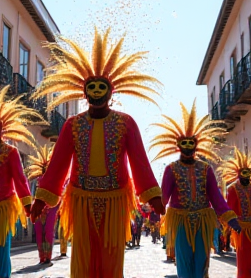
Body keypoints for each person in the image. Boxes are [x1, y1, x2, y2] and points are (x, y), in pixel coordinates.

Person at [30, 27, 164, 278]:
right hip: (81, 199)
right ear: (84, 92)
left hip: (115, 200)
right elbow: (58, 164)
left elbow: (140, 162)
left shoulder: (127, 123)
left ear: (111, 92)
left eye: (102, 86)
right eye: (92, 87)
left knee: (112, 257)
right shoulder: (72, 124)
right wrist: (42, 197)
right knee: (83, 256)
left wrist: (152, 195)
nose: (97, 92)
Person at [150, 100, 241, 278]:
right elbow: (164, 197)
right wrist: (155, 203)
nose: (188, 147)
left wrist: (231, 219)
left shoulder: (205, 169)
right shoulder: (171, 169)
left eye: (191, 143)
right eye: (184, 143)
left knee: (202, 262)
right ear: (178, 145)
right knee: (184, 262)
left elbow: (216, 197)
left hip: (203, 219)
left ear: (196, 144)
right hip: (180, 220)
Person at [0, 84, 45, 277]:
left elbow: (21, 181)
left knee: (0, 249)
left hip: (1, 210)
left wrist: (28, 205)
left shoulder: (10, 152)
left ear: (1, 128)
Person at [218, 147, 251, 277]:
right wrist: (229, 226)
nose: (246, 176)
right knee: (244, 261)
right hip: (242, 231)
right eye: (244, 173)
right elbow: (229, 209)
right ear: (238, 174)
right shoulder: (233, 190)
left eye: (248, 173)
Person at [26, 143, 58, 266]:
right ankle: (42, 257)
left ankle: (48, 256)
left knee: (49, 231)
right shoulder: (36, 180)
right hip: (39, 207)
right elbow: (32, 193)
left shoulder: (55, 180)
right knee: (39, 231)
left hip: (52, 207)